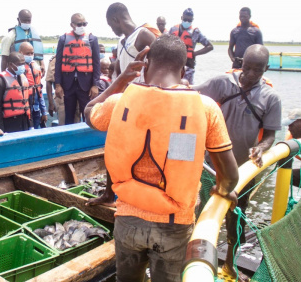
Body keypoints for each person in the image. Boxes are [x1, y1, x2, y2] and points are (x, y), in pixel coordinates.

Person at [84, 35, 239, 282]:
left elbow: (88, 112)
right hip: (174, 225)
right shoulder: (205, 108)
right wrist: (222, 190)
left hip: (127, 220)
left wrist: (120, 81)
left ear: (145, 63)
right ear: (183, 68)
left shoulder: (119, 101)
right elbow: (230, 177)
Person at [193, 44, 281, 279]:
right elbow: (191, 95)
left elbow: (271, 135)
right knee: (205, 212)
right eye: (247, 68)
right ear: (240, 64)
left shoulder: (270, 97)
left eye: (257, 71)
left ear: (267, 69)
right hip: (212, 165)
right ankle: (198, 264)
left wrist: (261, 148)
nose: (251, 75)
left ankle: (229, 264)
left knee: (236, 218)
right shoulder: (222, 83)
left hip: (244, 170)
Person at [55, 13, 101, 125]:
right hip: (68, 84)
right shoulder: (63, 39)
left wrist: (95, 85)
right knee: (69, 116)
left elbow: (96, 64)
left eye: (84, 24)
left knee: (88, 114)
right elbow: (58, 63)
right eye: (79, 24)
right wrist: (58, 84)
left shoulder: (92, 39)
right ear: (72, 25)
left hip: (86, 84)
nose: (82, 26)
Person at [105, 2, 157, 83]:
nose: (112, 29)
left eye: (110, 25)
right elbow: (118, 71)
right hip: (127, 91)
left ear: (115, 20)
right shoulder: (121, 42)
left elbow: (160, 64)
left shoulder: (143, 35)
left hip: (141, 90)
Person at [169, 8, 213, 84]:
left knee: (187, 87)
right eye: (185, 19)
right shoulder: (173, 29)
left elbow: (210, 46)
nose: (187, 22)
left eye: (189, 20)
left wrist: (194, 53)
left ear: (192, 20)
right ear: (181, 18)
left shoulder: (195, 32)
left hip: (188, 65)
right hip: (172, 64)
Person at [0, 52, 32, 133]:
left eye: (23, 64)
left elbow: (27, 102)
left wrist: (31, 124)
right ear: (11, 64)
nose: (22, 67)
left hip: (25, 121)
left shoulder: (23, 77)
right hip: (9, 123)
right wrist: (0, 129)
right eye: (19, 64)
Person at [19, 42, 48, 129]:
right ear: (21, 53)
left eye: (32, 53)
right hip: (24, 110)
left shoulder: (36, 66)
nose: (30, 55)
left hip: (36, 109)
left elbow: (39, 92)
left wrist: (44, 112)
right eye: (27, 53)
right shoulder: (18, 69)